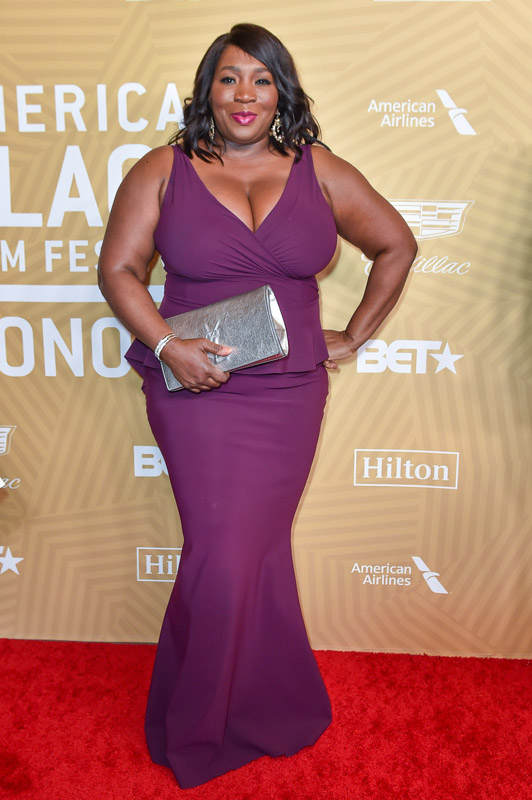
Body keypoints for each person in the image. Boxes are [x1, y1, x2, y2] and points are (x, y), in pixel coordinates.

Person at [98, 22, 417, 789]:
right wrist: (168, 345)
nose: (245, 94)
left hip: (289, 393)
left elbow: (398, 245)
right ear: (208, 90)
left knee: (261, 550)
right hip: (196, 390)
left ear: (282, 92)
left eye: (261, 79)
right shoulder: (164, 169)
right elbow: (118, 270)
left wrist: (354, 335)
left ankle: (271, 702)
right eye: (230, 77)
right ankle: (199, 723)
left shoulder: (318, 168)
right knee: (221, 551)